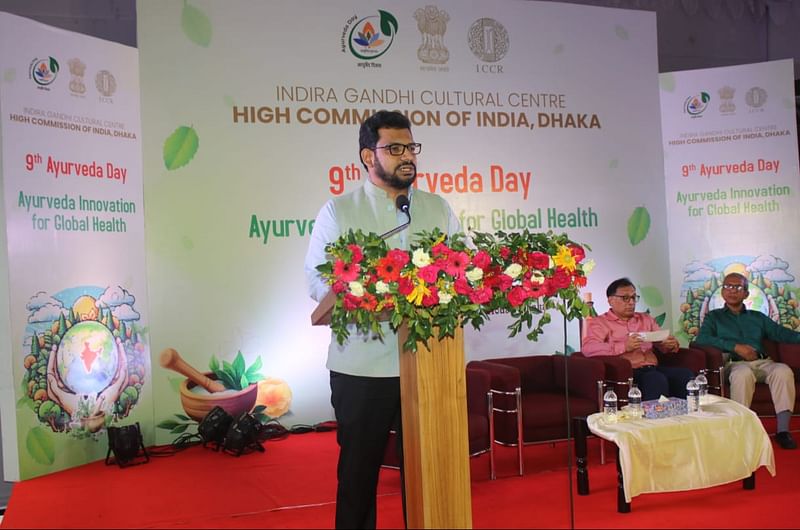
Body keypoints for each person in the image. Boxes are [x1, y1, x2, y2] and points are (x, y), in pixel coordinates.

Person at [304, 110, 461, 529]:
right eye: (394, 148)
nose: (406, 156)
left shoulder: (436, 208)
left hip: (428, 365)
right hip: (362, 369)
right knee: (358, 477)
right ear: (367, 157)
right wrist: (361, 290)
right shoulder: (338, 212)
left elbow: (462, 274)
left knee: (430, 475)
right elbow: (318, 284)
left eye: (410, 147)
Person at [694, 272, 798, 450]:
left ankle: (782, 431)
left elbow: (781, 333)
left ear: (746, 294)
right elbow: (701, 340)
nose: (731, 291)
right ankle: (741, 429)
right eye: (727, 286)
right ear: (722, 292)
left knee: (783, 371)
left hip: (763, 362)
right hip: (734, 364)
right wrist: (735, 346)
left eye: (737, 287)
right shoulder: (714, 317)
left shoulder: (757, 317)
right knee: (742, 374)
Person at [583, 277, 694, 401]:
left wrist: (669, 344)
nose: (631, 302)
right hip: (627, 372)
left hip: (653, 367)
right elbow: (588, 349)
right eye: (625, 298)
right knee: (655, 379)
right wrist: (624, 346)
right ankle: (655, 419)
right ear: (611, 300)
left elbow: (661, 342)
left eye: (634, 297)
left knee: (685, 375)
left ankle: (687, 417)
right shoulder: (600, 323)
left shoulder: (645, 319)